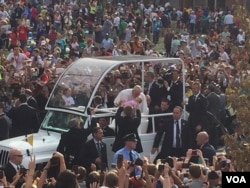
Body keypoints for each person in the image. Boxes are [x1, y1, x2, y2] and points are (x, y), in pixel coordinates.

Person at [186, 81, 208, 147]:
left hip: (198, 123)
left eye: (195, 88)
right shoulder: (190, 98)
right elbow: (190, 109)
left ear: (199, 89)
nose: (194, 90)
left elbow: (204, 113)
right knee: (191, 140)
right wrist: (185, 105)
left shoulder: (203, 99)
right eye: (193, 88)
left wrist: (200, 124)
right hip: (191, 122)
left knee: (198, 141)